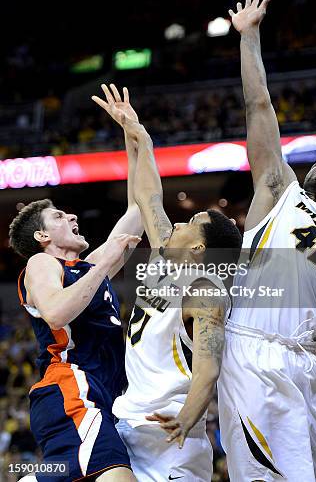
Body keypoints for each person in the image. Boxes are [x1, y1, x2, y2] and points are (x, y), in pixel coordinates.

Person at [217, 0, 316, 482]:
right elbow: (258, 105)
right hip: (254, 354)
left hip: (304, 366)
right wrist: (249, 36)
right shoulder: (279, 191)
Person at [92, 84, 242, 482]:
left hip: (170, 433)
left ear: (198, 248)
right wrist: (136, 134)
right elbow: (147, 198)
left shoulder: (205, 290)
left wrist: (187, 422)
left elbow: (208, 368)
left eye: (191, 224)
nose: (179, 221)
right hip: (128, 421)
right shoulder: (163, 257)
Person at [8, 99, 143, 482]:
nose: (73, 217)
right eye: (59, 217)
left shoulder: (83, 268)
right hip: (73, 386)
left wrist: (132, 134)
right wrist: (105, 264)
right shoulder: (41, 264)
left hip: (103, 393)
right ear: (42, 236)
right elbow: (55, 313)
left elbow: (138, 207)